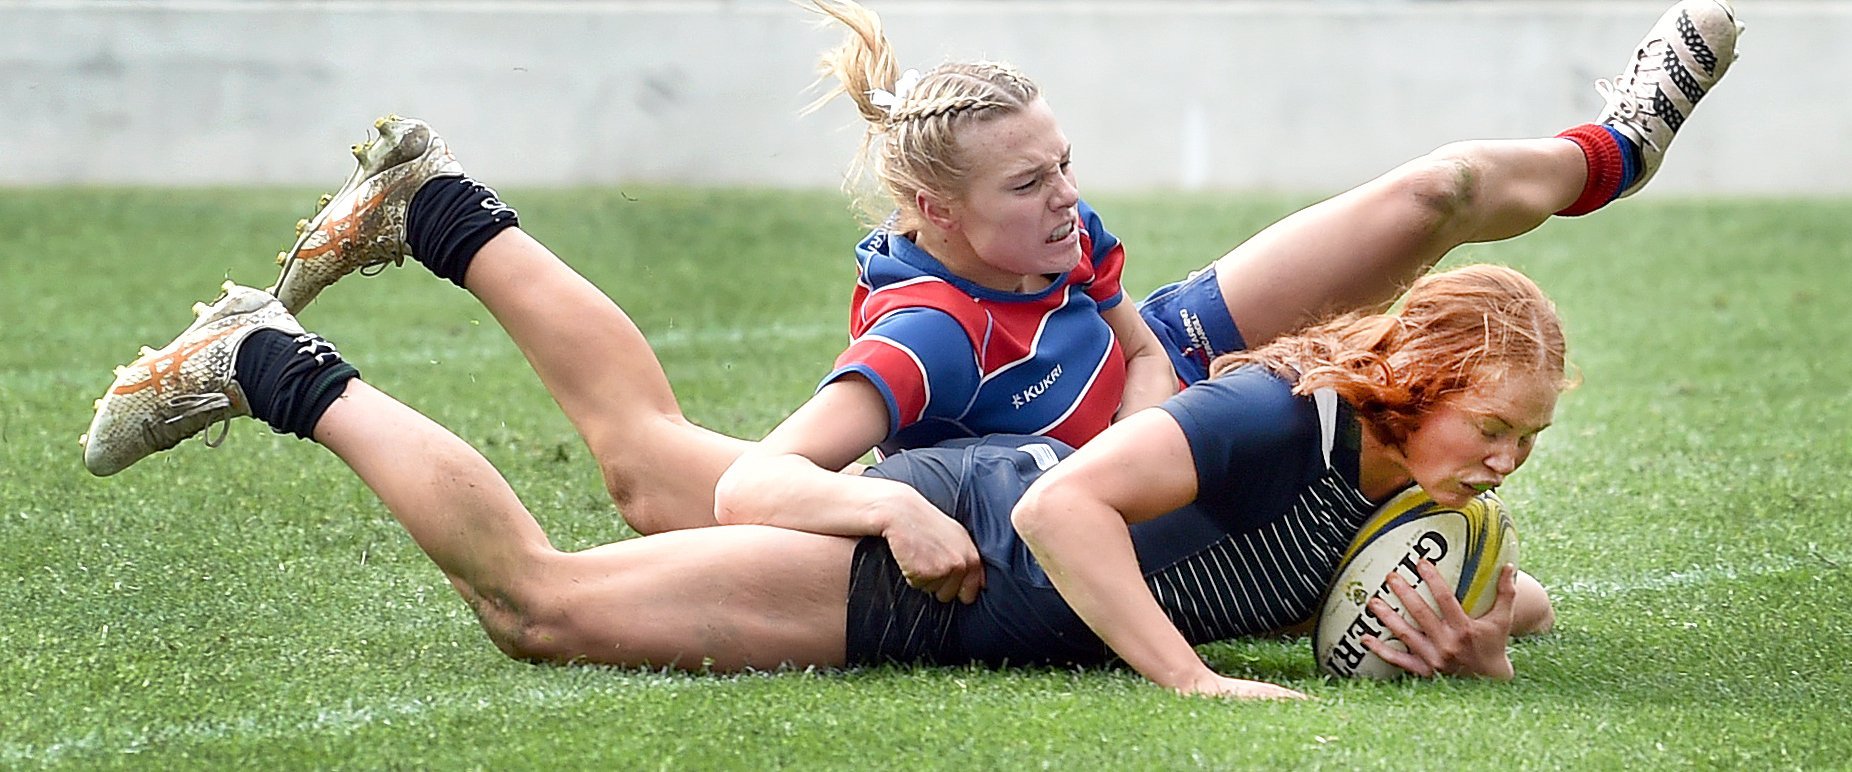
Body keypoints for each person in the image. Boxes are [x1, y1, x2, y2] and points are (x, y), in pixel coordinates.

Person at [80, 260, 1564, 697]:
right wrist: (1194, 686)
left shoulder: (1421, 495)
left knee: (650, 472)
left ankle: (434, 224)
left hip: (962, 584)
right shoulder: (1269, 422)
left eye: (1527, 443)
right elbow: (1060, 510)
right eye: (1492, 425)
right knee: (537, 606)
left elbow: (1524, 594)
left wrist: (1485, 630)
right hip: (938, 555)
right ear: (1413, 380)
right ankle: (266, 360)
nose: (1505, 463)